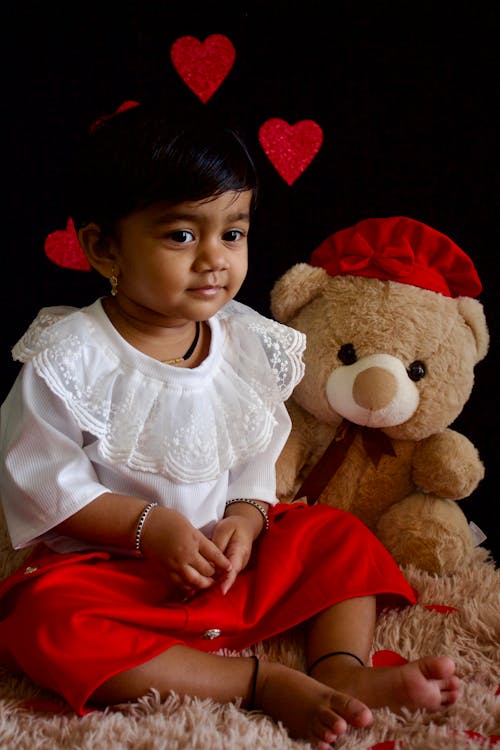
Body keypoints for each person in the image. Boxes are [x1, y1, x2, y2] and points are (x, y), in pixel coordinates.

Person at [0, 102, 459, 749]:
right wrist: (148, 527)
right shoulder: (69, 358)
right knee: (43, 623)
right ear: (105, 247)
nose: (214, 259)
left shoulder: (242, 342)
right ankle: (256, 683)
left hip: (226, 559)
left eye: (233, 233)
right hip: (114, 569)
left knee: (337, 533)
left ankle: (342, 672)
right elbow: (42, 481)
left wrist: (245, 518)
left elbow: (255, 452)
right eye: (182, 236)